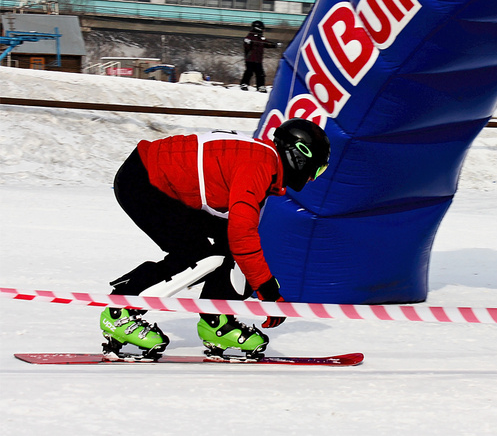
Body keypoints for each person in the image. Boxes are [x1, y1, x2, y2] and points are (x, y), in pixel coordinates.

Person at [100, 118, 330, 359]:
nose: (313, 178)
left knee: (228, 249)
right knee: (198, 256)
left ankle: (217, 322)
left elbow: (239, 236)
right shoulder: (260, 165)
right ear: (300, 156)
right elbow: (242, 235)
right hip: (144, 181)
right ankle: (121, 311)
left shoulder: (265, 160)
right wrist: (268, 292)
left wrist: (264, 285)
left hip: (155, 178)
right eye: (318, 169)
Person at [240, 20, 278, 93]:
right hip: (250, 59)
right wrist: (247, 43)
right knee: (249, 72)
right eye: (262, 28)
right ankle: (244, 84)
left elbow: (267, 43)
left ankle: (260, 86)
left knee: (260, 73)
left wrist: (275, 45)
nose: (263, 30)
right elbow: (246, 47)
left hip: (258, 60)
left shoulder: (261, 38)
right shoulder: (249, 37)